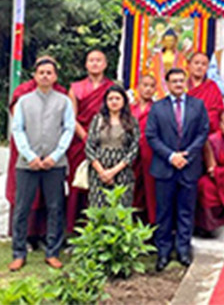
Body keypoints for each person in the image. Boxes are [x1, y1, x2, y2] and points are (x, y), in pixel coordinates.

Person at [7, 57, 77, 271]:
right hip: (27, 164)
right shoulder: (24, 101)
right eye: (41, 72)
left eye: (49, 72)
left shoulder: (63, 101)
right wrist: (30, 156)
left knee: (55, 208)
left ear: (55, 77)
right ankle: (19, 252)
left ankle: (52, 252)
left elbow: (68, 129)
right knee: (22, 208)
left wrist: (55, 156)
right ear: (35, 76)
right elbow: (17, 129)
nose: (45, 76)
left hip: (54, 164)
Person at [145, 68, 210, 271]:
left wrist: (187, 155)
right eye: (174, 81)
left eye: (182, 81)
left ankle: (183, 249)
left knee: (185, 211)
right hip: (165, 166)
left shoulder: (198, 106)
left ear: (186, 83)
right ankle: (163, 251)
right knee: (164, 212)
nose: (179, 84)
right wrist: (171, 156)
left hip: (189, 167)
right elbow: (151, 135)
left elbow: (203, 132)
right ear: (167, 84)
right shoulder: (157, 108)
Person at [67, 50, 116, 232]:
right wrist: (87, 138)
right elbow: (71, 118)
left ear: (105, 64)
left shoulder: (111, 88)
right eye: (91, 60)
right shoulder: (76, 88)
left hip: (105, 141)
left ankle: (100, 230)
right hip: (80, 141)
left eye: (99, 60)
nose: (95, 64)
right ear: (86, 65)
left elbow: (115, 115)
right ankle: (74, 230)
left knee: (102, 184)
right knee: (77, 185)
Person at [81, 85, 139, 209]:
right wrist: (102, 172)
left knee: (120, 209)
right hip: (98, 173)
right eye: (110, 99)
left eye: (117, 98)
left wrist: (113, 172)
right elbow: (89, 147)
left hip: (122, 172)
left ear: (124, 101)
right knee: (99, 209)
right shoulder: (97, 120)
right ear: (105, 102)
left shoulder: (132, 122)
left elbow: (134, 149)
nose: (114, 102)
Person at [130, 75, 158, 223]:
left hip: (150, 156)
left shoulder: (158, 109)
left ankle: (150, 225)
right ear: (138, 87)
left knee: (149, 191)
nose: (148, 89)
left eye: (151, 86)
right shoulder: (128, 109)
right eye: (145, 85)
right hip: (131, 156)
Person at [144, 29, 189, 99]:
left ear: (175, 41)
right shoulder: (157, 57)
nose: (169, 43)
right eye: (166, 40)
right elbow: (152, 71)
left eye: (171, 40)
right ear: (163, 41)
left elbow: (185, 71)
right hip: (159, 84)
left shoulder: (180, 57)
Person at [186, 52, 224, 130]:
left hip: (207, 130)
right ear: (189, 65)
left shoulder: (212, 87)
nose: (199, 66)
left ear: (207, 68)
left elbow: (218, 111)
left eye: (203, 64)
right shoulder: (182, 86)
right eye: (196, 63)